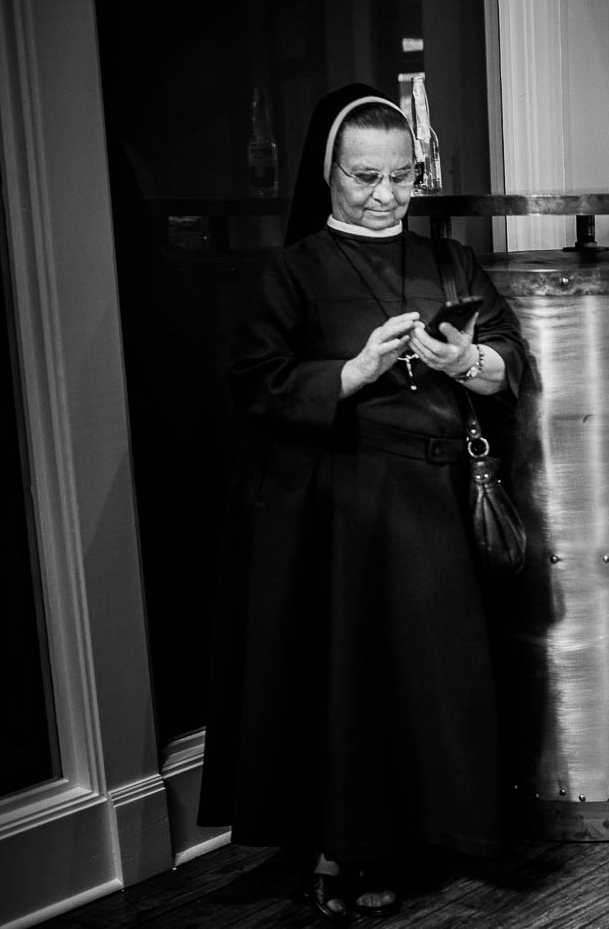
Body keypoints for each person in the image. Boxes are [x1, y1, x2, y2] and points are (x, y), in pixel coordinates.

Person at [198, 83, 526, 922]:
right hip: (346, 505)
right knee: (354, 685)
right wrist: (353, 373)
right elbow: (254, 383)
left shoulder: (450, 260)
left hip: (439, 498)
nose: (385, 197)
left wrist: (463, 362)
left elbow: (511, 362)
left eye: (402, 177)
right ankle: (344, 850)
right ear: (329, 174)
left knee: (433, 681)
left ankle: (433, 832)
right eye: (363, 179)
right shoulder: (295, 270)